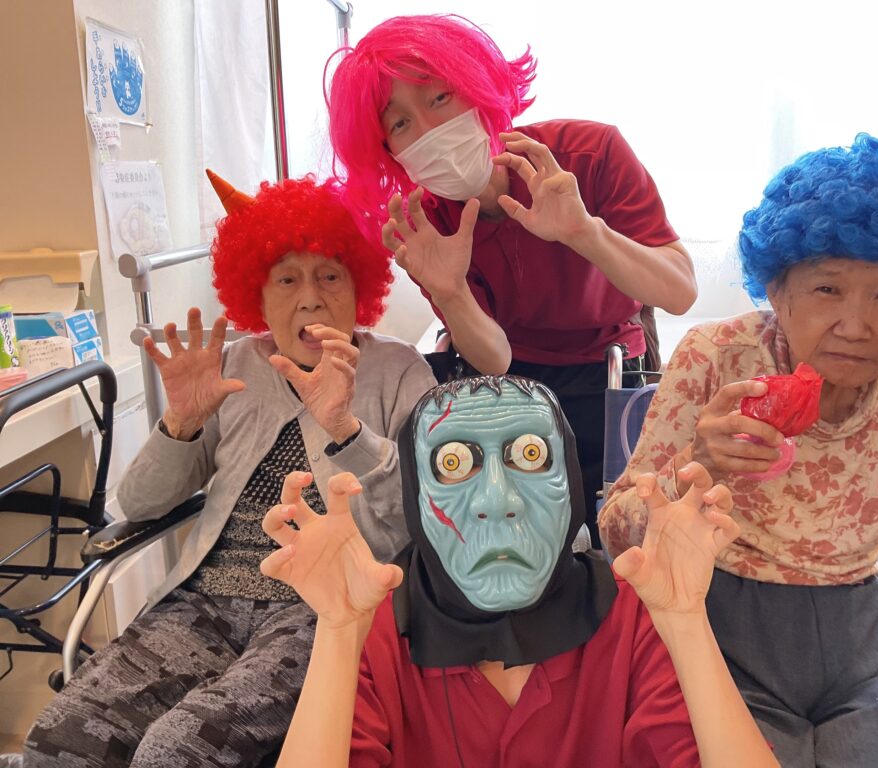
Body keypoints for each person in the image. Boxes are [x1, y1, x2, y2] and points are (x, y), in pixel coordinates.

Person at [599, 134, 878, 767]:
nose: (856, 326)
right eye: (827, 289)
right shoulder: (716, 359)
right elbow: (617, 538)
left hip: (860, 644)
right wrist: (698, 465)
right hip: (720, 619)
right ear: (777, 289)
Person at [21, 175, 435, 768]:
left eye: (330, 276)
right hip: (202, 603)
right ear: (257, 298)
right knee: (60, 740)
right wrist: (181, 423)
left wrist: (346, 430)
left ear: (360, 287)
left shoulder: (400, 371)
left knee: (175, 752)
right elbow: (139, 504)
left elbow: (421, 520)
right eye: (287, 279)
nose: (310, 298)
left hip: (321, 607)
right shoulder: (235, 365)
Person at [260, 375, 778, 767]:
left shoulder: (635, 613)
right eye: (453, 464)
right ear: (416, 497)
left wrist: (686, 621)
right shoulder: (375, 626)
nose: (497, 500)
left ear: (571, 480)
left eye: (530, 455)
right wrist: (337, 632)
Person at [325, 14, 698, 543]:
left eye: (439, 98)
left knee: (619, 532)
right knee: (522, 535)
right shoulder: (427, 225)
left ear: (477, 87)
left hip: (609, 370)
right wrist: (450, 291)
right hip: (507, 385)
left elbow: (680, 292)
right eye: (401, 124)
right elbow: (495, 358)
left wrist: (586, 233)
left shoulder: (589, 154)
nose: (429, 131)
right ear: (389, 152)